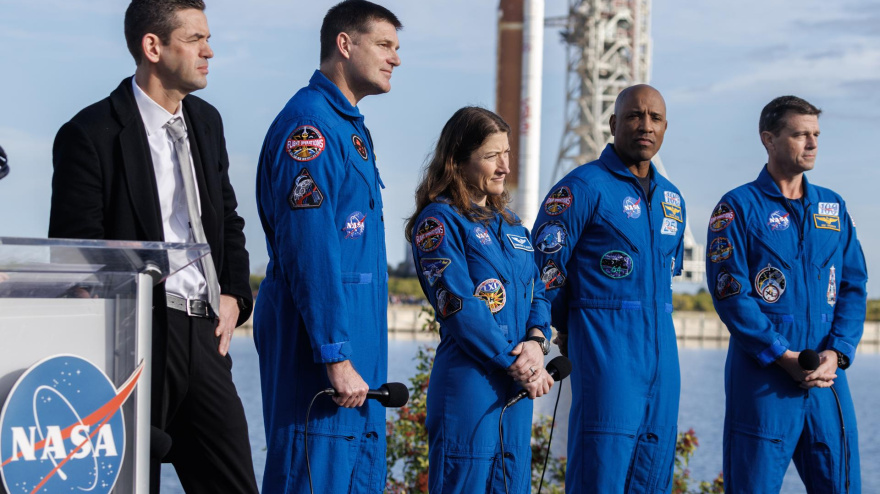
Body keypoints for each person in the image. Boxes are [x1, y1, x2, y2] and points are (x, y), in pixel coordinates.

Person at [48, 1, 258, 492]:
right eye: (195, 39)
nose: (209, 51)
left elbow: (228, 220)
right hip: (132, 339)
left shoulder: (207, 122)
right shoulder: (89, 134)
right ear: (153, 47)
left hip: (205, 337)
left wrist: (233, 295)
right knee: (128, 483)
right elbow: (76, 256)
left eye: (208, 39)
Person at [253, 1, 401, 492]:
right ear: (345, 44)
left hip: (358, 346)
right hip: (318, 352)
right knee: (311, 474)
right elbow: (309, 250)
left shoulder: (348, 127)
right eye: (384, 45)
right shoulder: (310, 127)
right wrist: (335, 355)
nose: (395, 58)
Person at [706, 96, 867, 493]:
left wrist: (838, 352)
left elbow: (853, 286)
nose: (812, 144)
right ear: (769, 139)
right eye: (799, 135)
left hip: (827, 378)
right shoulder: (737, 207)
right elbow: (731, 294)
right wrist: (781, 355)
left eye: (816, 135)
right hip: (764, 380)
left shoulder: (832, 208)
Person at [533, 84, 685, 492]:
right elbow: (543, 271)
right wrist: (566, 326)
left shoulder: (673, 200)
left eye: (655, 118)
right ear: (614, 123)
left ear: (665, 128)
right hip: (607, 359)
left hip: (663, 364)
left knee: (654, 476)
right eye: (635, 116)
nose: (645, 125)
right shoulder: (582, 188)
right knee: (600, 476)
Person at [406, 107, 554, 493]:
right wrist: (518, 364)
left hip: (517, 387)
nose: (505, 167)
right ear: (457, 159)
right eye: (491, 156)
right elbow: (459, 307)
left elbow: (538, 291)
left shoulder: (513, 227)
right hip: (471, 386)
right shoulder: (439, 222)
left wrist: (537, 342)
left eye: (507, 153)